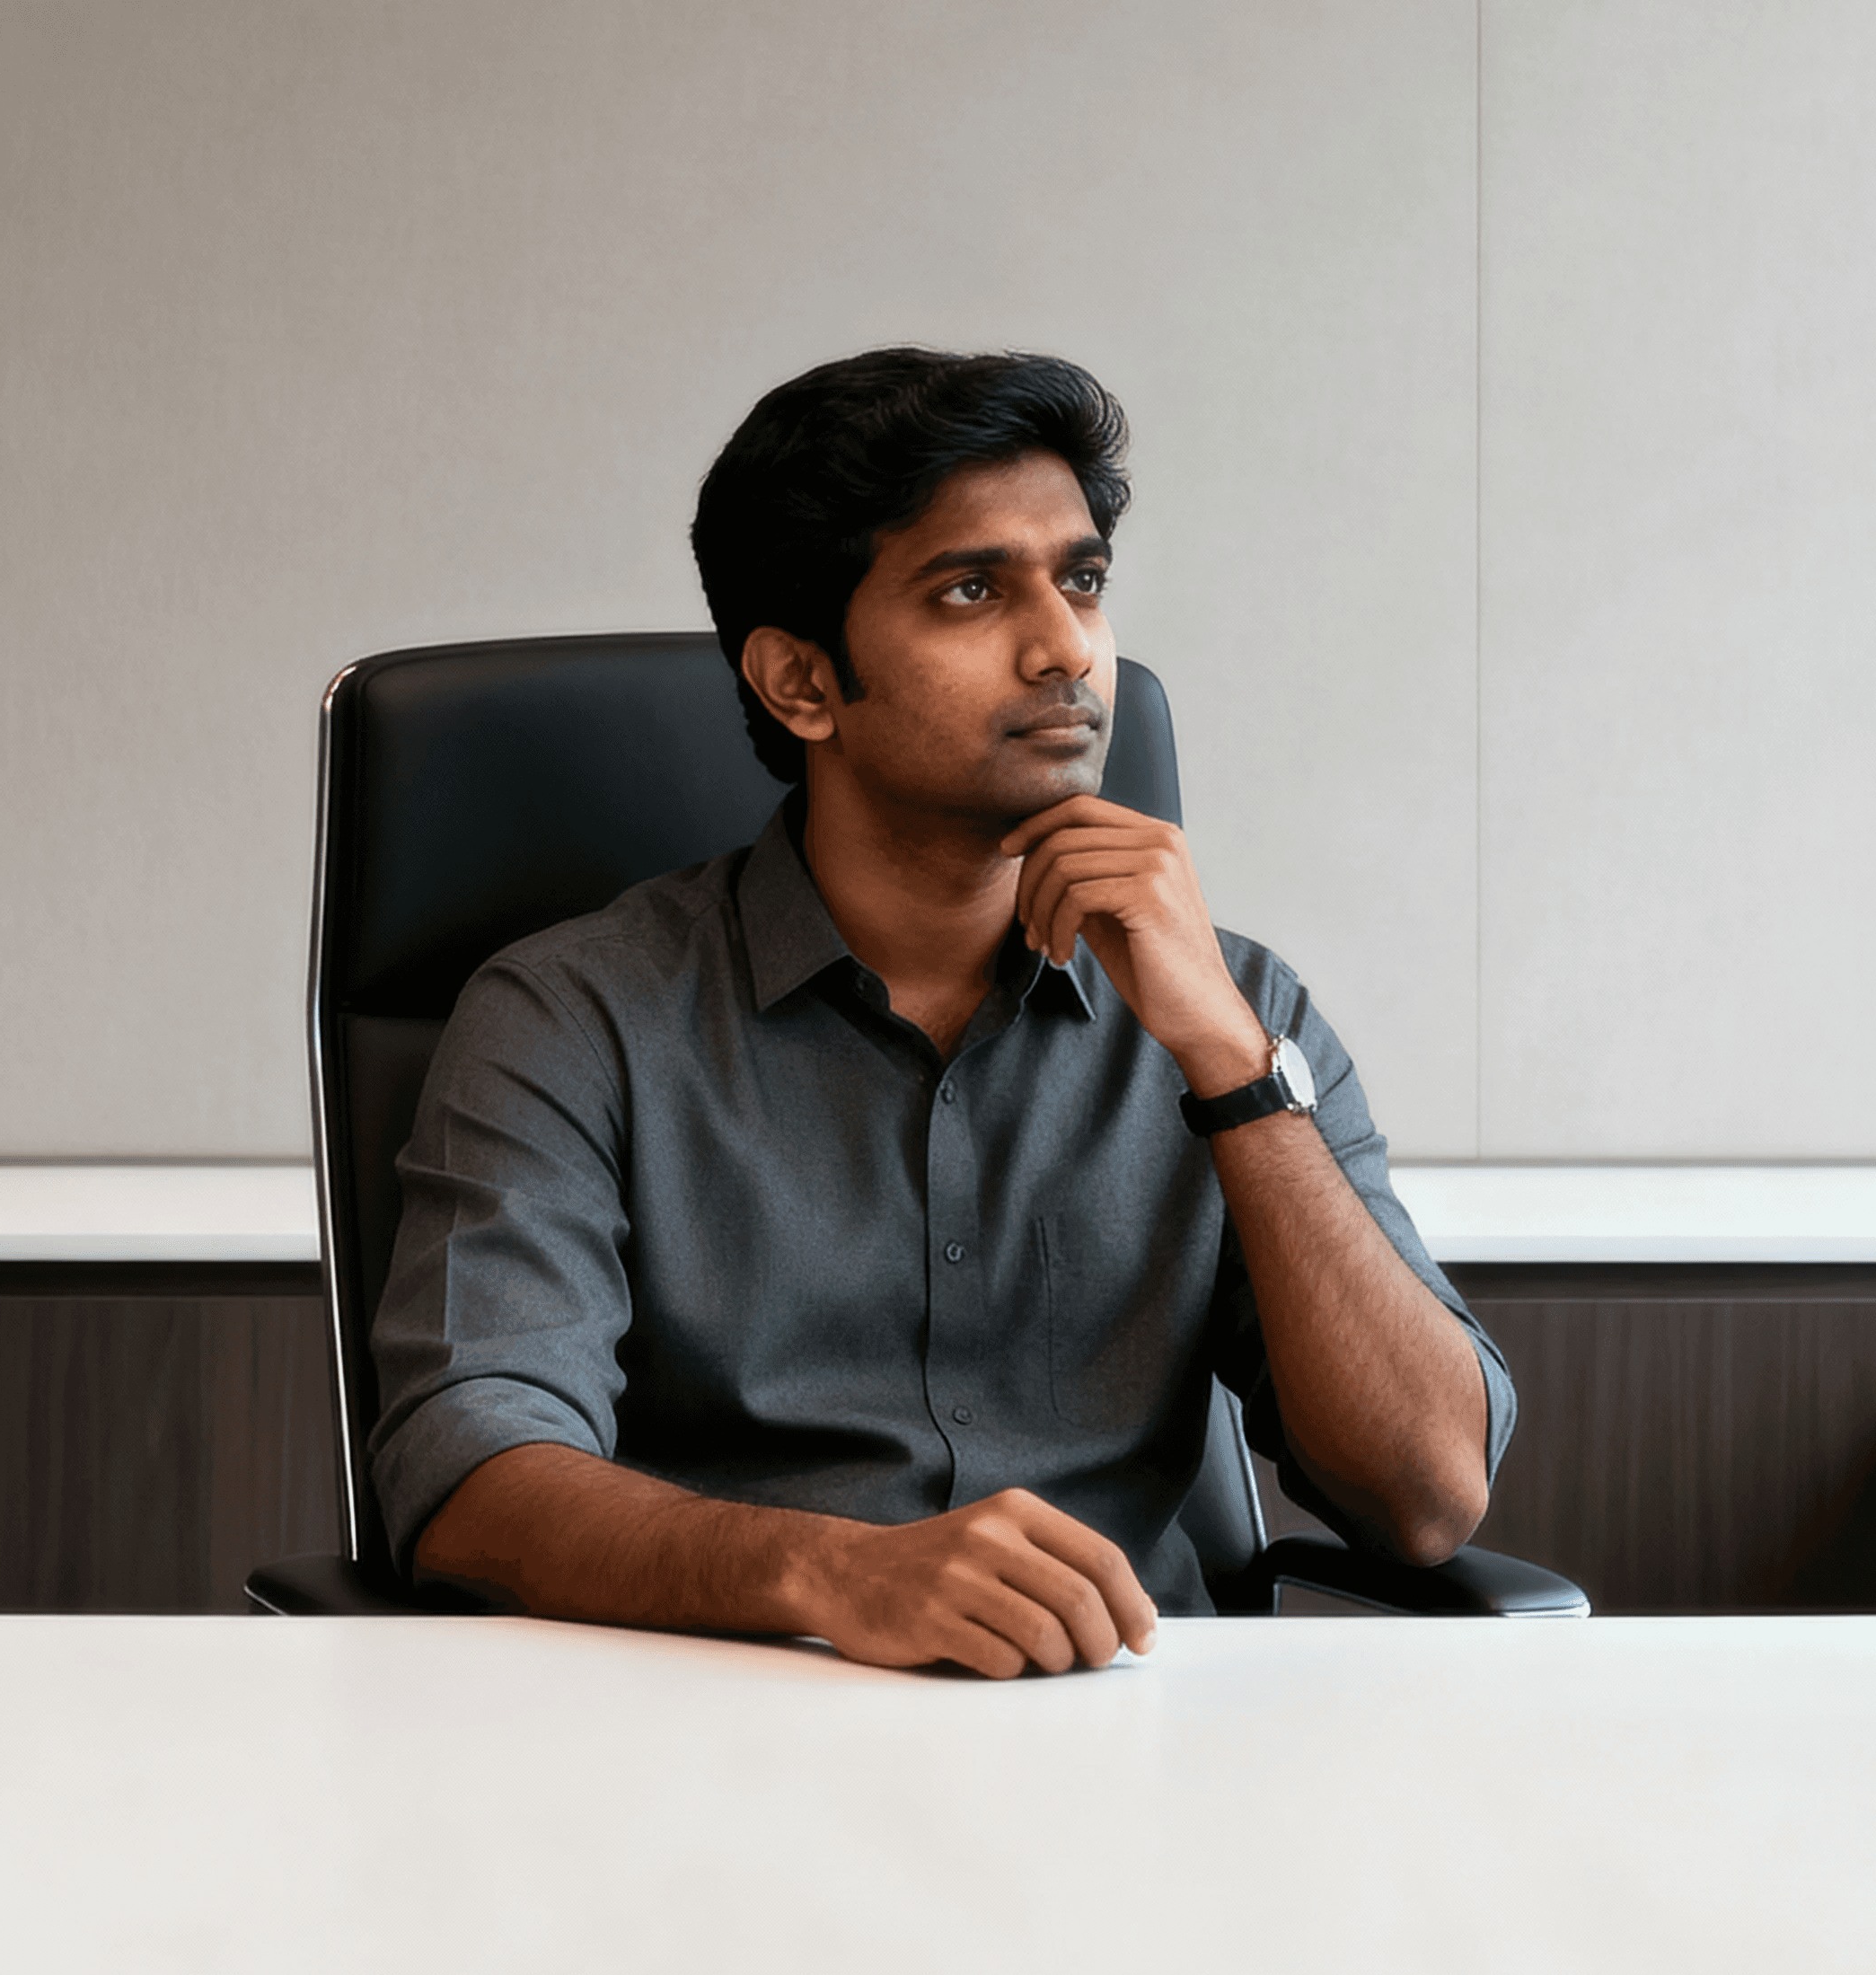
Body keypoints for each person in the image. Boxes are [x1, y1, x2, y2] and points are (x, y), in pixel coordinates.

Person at [369, 348, 1511, 1679]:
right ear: (800, 682)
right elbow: (468, 1470)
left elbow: (1431, 1496)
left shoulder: (1241, 1006)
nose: (1066, 646)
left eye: (1079, 578)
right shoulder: (571, 1017)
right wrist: (831, 1568)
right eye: (972, 589)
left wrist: (1231, 1069)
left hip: (1137, 1756)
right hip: (718, 1741)